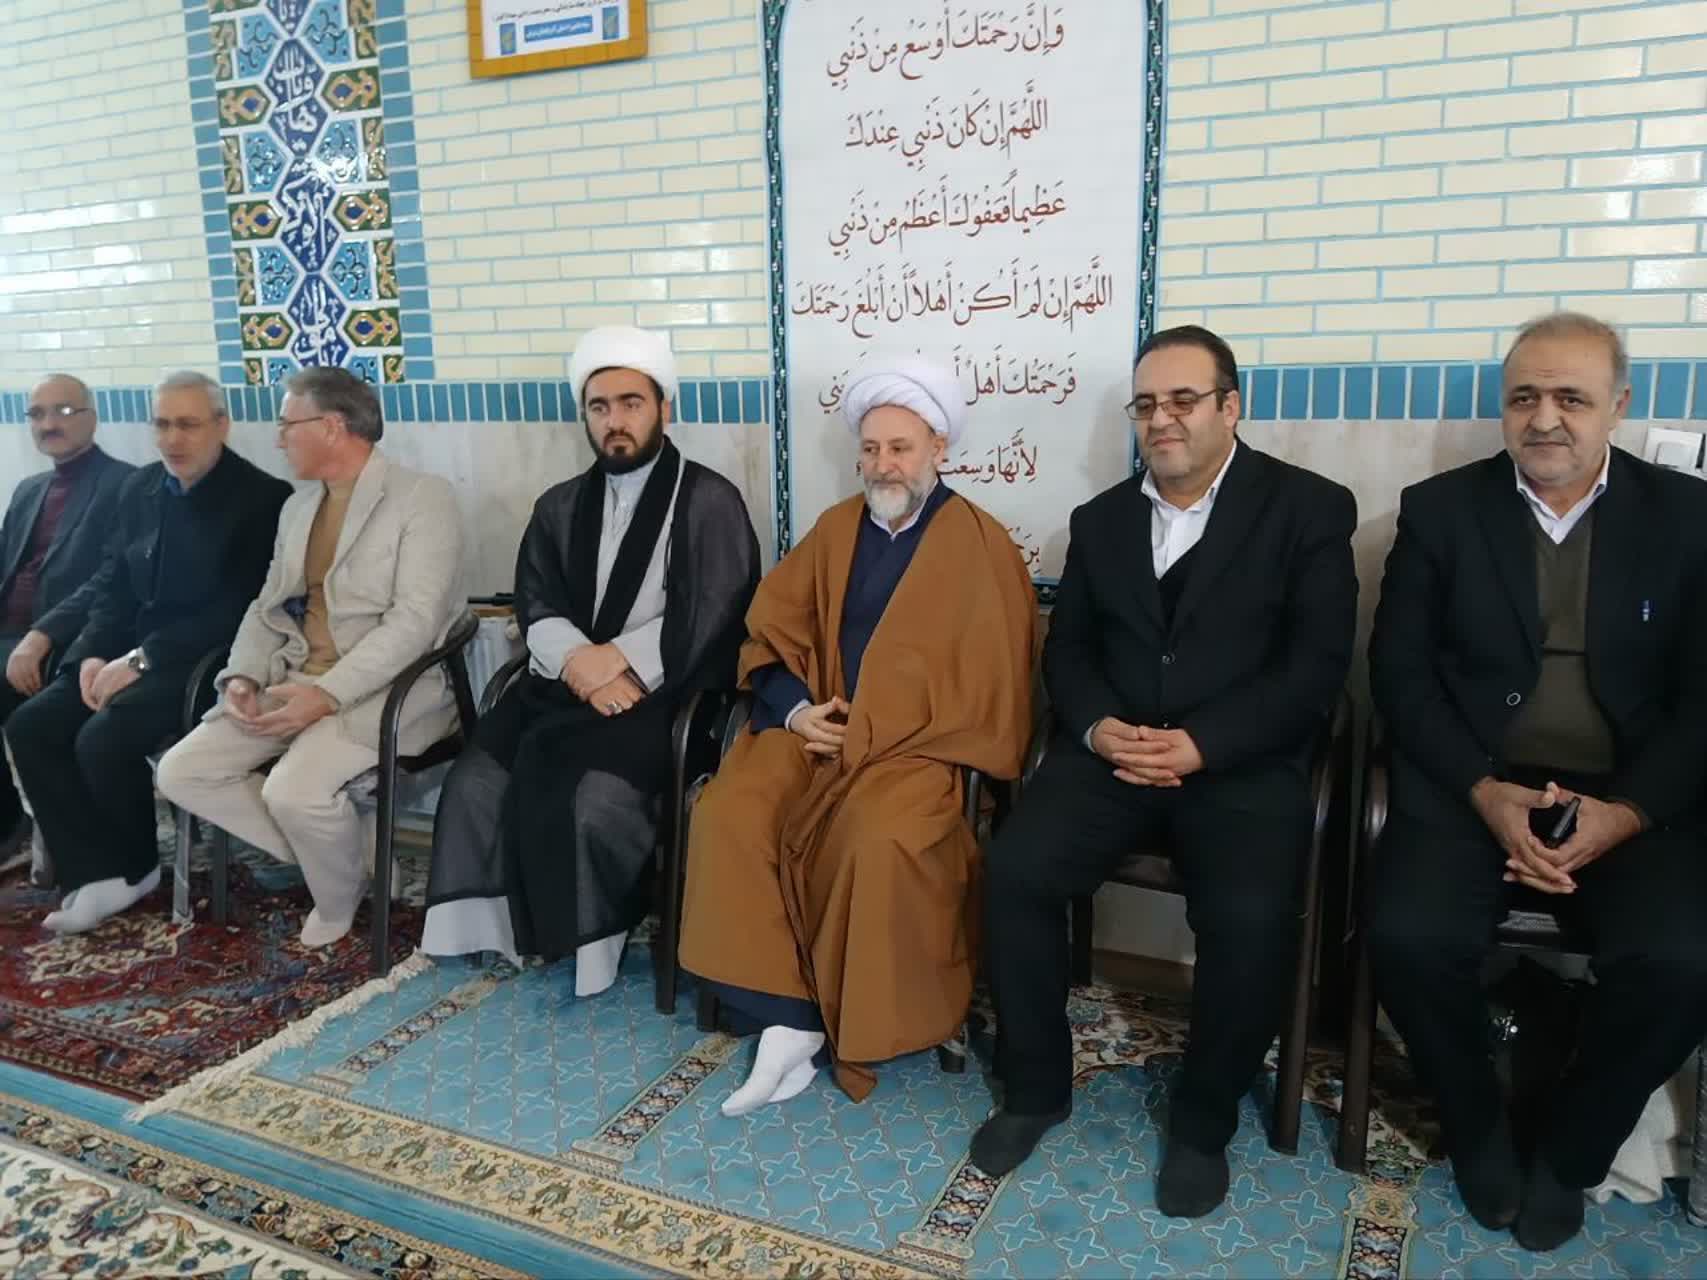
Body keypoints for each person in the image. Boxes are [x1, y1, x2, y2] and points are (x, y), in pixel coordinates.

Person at [970, 325, 1358, 1217]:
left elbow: (1315, 668)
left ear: (1230, 406)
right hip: (1112, 757)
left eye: (1183, 399)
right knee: (1016, 871)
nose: (1161, 419)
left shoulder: (1307, 508)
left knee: (1250, 914)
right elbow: (1069, 653)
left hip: (1237, 764)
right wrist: (1098, 727)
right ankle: (1035, 1088)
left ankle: (1201, 1122)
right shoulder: (1100, 520)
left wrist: (1203, 744)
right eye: (1145, 404)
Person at [1366, 312, 1707, 1252]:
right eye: (1524, 396)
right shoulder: (1441, 511)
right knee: (1405, 937)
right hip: (1476, 786)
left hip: (1631, 795)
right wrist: (1484, 792)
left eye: (1570, 398)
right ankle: (1475, 1124)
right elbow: (1400, 675)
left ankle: (1569, 1152)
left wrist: (1625, 814)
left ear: (1618, 406)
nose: (1544, 417)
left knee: (1682, 961)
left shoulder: (1686, 518)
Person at [678, 355, 1036, 1116]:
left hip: (915, 750)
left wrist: (872, 733)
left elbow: (992, 684)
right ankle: (787, 1011)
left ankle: (841, 1022)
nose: (883, 464)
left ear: (938, 448)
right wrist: (797, 711)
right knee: (731, 811)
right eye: (871, 449)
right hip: (816, 730)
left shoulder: (981, 544)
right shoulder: (836, 529)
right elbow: (772, 633)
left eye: (900, 447)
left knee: (876, 840)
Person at [421, 326, 758, 991]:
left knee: (593, 800)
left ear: (664, 409)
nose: (615, 421)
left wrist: (617, 664)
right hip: (565, 684)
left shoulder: (708, 500)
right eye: (599, 407)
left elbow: (714, 611)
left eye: (631, 403)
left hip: (665, 694)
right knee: (474, 783)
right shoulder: (560, 504)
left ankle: (592, 945)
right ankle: (491, 931)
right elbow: (535, 599)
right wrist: (579, 664)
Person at [156, 368, 464, 948]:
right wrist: (244, 674)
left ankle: (338, 898)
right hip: (294, 676)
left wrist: (326, 695)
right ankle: (358, 860)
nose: (278, 439)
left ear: (331, 426)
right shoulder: (298, 508)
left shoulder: (424, 498)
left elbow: (415, 624)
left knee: (291, 791)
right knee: (182, 771)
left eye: (286, 425)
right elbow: (266, 604)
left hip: (391, 689)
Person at [4, 371, 291, 932]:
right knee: (32, 725)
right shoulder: (139, 488)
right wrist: (90, 653)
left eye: (188, 424)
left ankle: (136, 868)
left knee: (101, 736)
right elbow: (112, 585)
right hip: (123, 653)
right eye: (162, 424)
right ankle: (92, 870)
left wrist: (140, 660)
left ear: (221, 425)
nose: (172, 439)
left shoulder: (262, 499)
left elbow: (235, 610)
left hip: (201, 662)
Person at [0, 374, 134, 877]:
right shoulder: (29, 489)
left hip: (73, 642)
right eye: (37, 414)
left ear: (91, 418)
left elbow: (112, 579)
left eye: (62, 411)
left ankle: (53, 827)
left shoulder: (125, 485)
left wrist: (42, 635)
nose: (48, 424)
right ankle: (12, 825)